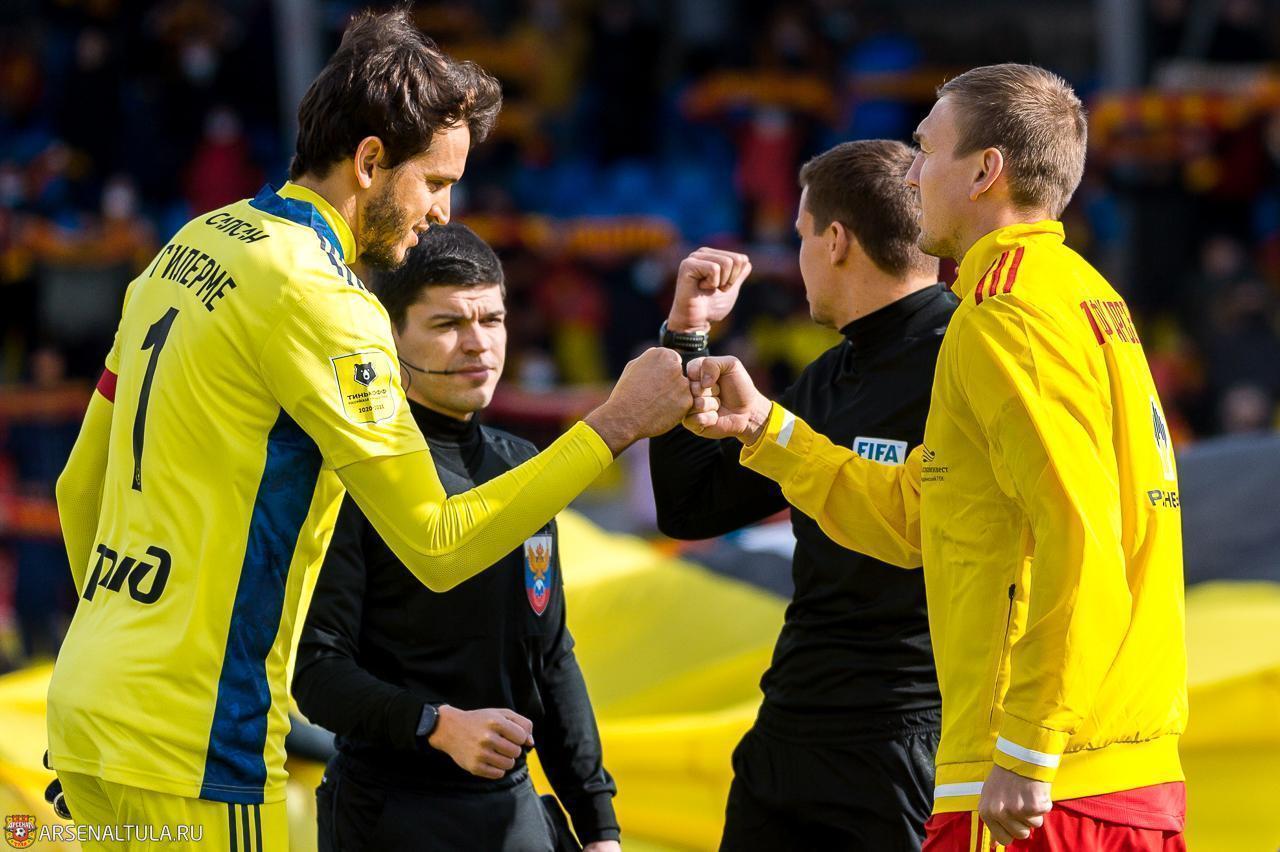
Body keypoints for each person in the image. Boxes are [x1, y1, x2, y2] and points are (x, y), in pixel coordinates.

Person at [46, 11, 689, 850]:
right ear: (371, 161)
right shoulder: (323, 298)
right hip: (195, 738)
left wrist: (115, 660)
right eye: (436, 182)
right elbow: (438, 542)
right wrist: (616, 423)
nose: (443, 212)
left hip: (87, 705)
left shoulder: (188, 245)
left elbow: (79, 487)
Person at [683, 64, 1188, 852]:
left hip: (1041, 782)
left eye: (925, 149)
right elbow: (925, 517)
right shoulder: (1080, 295)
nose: (912, 174)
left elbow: (1079, 533)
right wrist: (767, 432)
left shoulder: (1006, 316)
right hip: (1098, 762)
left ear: (986, 171)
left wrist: (1028, 746)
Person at [648, 140, 954, 851]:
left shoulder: (965, 360)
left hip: (909, 737)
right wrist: (688, 338)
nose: (802, 258)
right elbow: (692, 508)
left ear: (836, 240)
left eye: (802, 236)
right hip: (791, 727)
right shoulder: (833, 375)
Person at [293, 223, 620, 852]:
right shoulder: (354, 472)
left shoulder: (523, 464)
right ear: (389, 337)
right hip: (390, 812)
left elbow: (550, 657)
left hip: (511, 809)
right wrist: (435, 726)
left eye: (491, 320)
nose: (478, 343)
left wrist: (598, 825)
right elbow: (317, 672)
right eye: (447, 324)